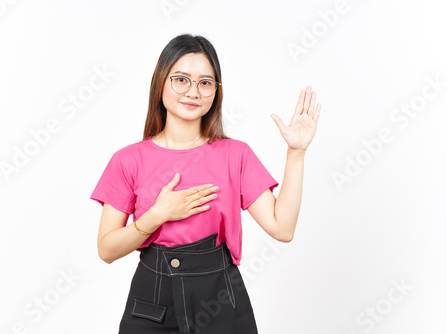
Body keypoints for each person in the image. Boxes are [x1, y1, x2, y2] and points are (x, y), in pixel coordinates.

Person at [90, 33, 321, 334]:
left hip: (220, 299)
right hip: (152, 303)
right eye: (181, 79)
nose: (193, 92)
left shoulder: (235, 154)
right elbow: (106, 249)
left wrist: (296, 153)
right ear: (161, 82)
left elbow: (282, 228)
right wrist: (157, 215)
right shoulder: (127, 160)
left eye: (205, 82)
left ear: (216, 91)